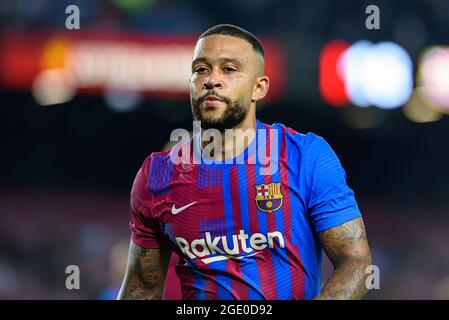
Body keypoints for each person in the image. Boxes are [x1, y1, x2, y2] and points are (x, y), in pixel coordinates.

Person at [117, 24, 372, 300]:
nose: (211, 80)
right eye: (201, 69)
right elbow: (141, 289)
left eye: (229, 69)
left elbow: (355, 261)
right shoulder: (156, 174)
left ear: (258, 88)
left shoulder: (305, 157)